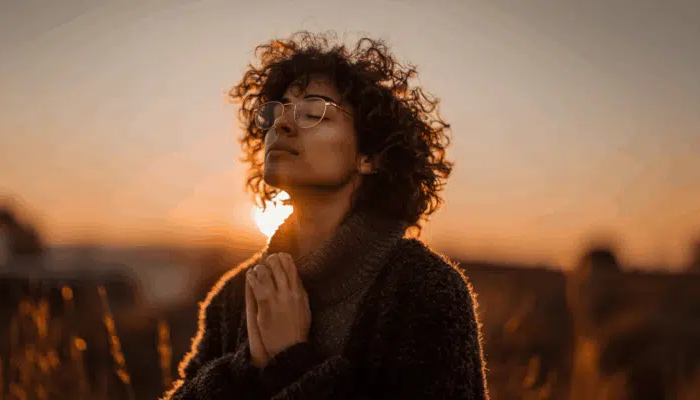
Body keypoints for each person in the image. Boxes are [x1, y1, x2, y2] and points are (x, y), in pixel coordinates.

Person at [164, 31, 488, 399]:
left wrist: (290, 362)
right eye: (276, 112)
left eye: (314, 112)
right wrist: (248, 366)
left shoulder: (427, 291)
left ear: (370, 157)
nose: (281, 125)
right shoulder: (235, 296)